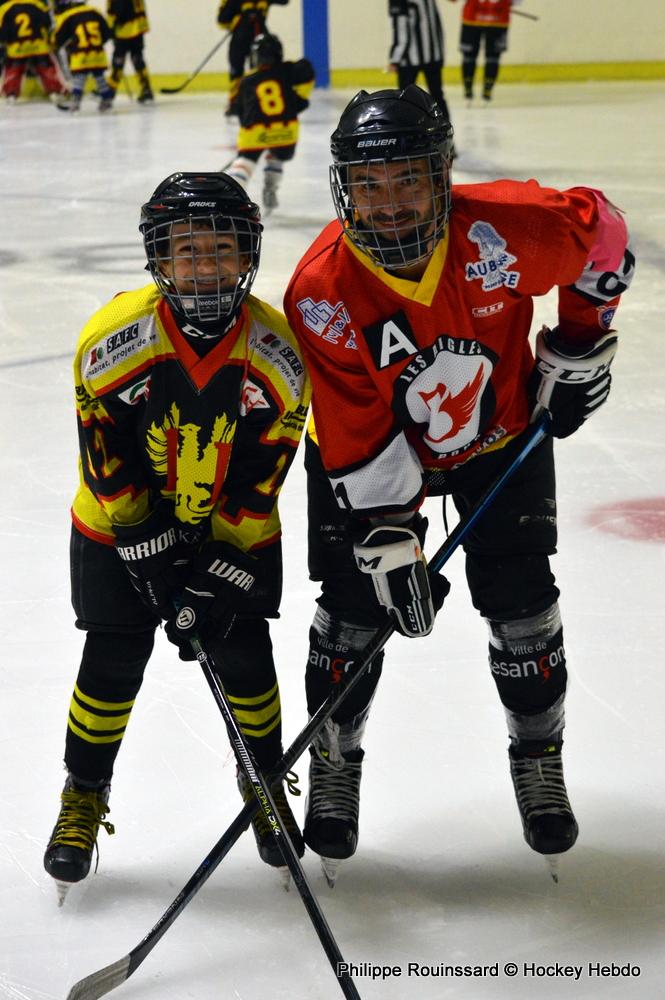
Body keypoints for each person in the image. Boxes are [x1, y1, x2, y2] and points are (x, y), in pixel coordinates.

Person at [283, 85, 634, 877]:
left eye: (407, 179)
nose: (390, 204)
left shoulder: (508, 231)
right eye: (368, 186)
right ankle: (336, 763)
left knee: (523, 605)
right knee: (349, 613)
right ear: (342, 188)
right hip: (369, 455)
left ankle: (536, 756)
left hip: (499, 435)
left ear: (442, 174)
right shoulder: (321, 291)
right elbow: (357, 426)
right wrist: (391, 537)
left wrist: (577, 343)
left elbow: (605, 234)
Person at [43, 172, 311, 898]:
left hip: (232, 530)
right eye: (186, 250)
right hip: (116, 527)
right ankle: (82, 795)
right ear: (158, 259)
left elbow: (263, 475)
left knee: (245, 658)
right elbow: (106, 460)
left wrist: (216, 564)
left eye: (219, 251)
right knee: (111, 659)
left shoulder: (277, 354)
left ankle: (262, 785)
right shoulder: (114, 339)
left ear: (246, 256)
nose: (203, 267)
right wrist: (150, 547)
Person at [226, 32, 314, 216]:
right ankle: (271, 187)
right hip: (286, 132)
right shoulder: (288, 71)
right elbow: (307, 72)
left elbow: (239, 111)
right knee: (277, 155)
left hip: (255, 133)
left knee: (244, 163)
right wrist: (297, 102)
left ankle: (229, 199)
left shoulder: (247, 81)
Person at [388, 0, 454, 150]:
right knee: (438, 97)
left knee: (404, 101)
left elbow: (402, 30)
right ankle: (447, 140)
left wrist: (395, 59)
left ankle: (405, 144)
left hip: (409, 59)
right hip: (434, 55)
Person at [217, 0, 288, 115]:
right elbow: (222, 20)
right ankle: (235, 102)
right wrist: (237, 20)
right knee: (236, 71)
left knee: (264, 69)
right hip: (241, 38)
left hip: (259, 39)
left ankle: (262, 99)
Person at [0, 0, 69, 105]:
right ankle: (55, 92)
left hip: (16, 48)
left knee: (13, 71)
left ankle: (11, 94)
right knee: (47, 69)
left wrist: (5, 41)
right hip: (39, 45)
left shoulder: (5, 8)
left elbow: (2, 30)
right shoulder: (38, 5)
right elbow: (49, 23)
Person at [451, 0, 520, 103]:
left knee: (493, 57)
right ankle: (468, 88)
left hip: (498, 19)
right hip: (472, 18)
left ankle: (487, 89)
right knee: (469, 56)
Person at [51, 0, 115, 112]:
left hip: (80, 55)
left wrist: (56, 43)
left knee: (79, 78)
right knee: (99, 77)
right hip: (97, 54)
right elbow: (107, 33)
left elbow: (57, 39)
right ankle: (107, 100)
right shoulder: (95, 12)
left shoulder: (68, 15)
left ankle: (75, 102)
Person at [106, 0, 152, 104]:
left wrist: (111, 29)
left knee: (118, 61)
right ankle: (146, 88)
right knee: (137, 59)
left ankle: (110, 91)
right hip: (138, 28)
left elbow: (120, 9)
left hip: (125, 30)